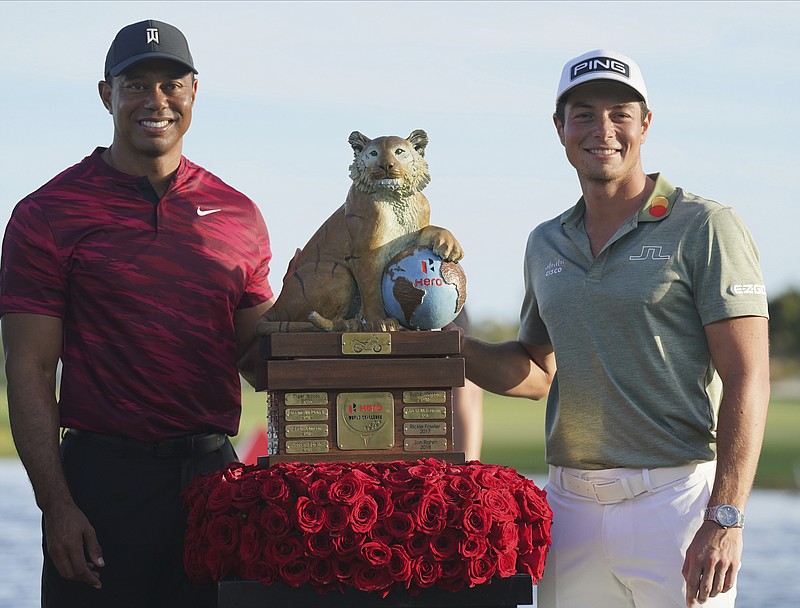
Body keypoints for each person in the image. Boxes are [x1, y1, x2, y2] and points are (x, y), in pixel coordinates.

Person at [461, 49, 769, 607]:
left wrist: (725, 517)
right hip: (570, 506)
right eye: (583, 113)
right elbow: (537, 371)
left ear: (645, 124)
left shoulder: (704, 225)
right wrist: (449, 349)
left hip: (675, 503)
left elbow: (749, 377)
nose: (603, 129)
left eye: (620, 113)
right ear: (559, 129)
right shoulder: (545, 241)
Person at [0, 20, 274, 608]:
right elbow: (28, 366)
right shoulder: (46, 213)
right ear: (107, 95)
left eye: (172, 83)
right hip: (101, 487)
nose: (156, 101)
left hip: (213, 485)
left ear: (194, 92)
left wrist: (325, 314)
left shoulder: (238, 214)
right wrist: (56, 504)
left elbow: (262, 362)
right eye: (136, 84)